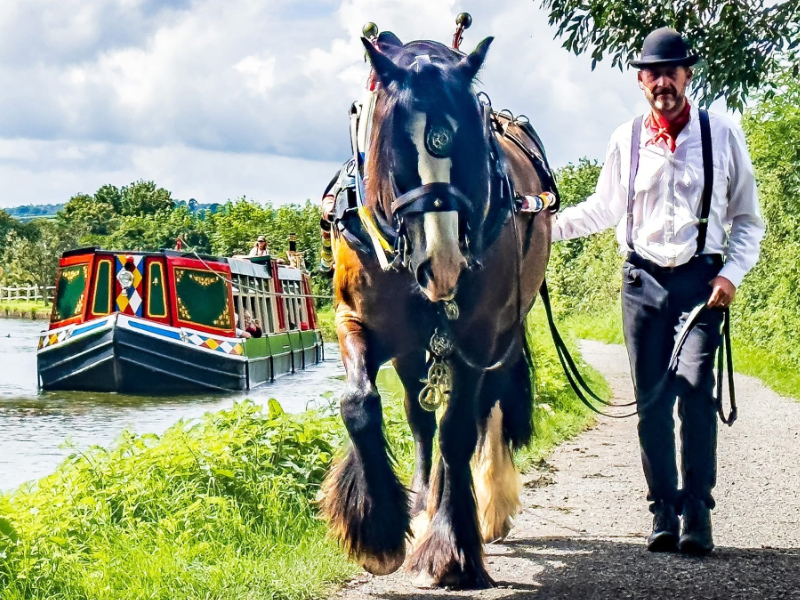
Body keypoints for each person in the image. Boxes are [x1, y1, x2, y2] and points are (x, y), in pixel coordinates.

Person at [551, 27, 765, 555]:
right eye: (653, 73)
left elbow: (748, 220)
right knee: (650, 403)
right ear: (641, 81)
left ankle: (698, 512)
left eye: (672, 71)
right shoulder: (624, 139)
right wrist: (537, 226)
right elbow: (601, 209)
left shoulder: (722, 135)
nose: (663, 82)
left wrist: (729, 275)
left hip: (699, 283)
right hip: (641, 282)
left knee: (694, 391)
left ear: (687, 75)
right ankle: (662, 512)